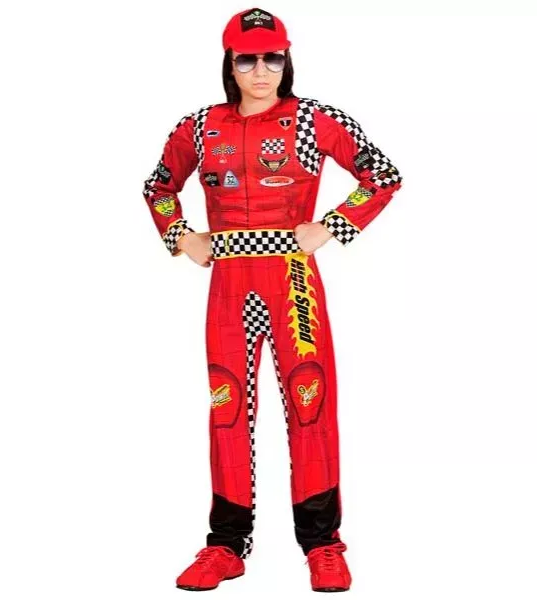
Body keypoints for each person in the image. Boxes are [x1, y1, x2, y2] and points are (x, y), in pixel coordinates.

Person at [142, 7, 403, 593]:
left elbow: (383, 175)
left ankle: (323, 546)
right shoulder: (197, 127)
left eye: (272, 58)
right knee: (227, 407)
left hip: (292, 282)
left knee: (311, 404)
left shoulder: (313, 118)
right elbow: (158, 186)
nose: (261, 71)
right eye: (247, 60)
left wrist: (332, 226)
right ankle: (226, 546)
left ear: (287, 61)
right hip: (228, 284)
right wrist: (180, 236)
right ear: (229, 64)